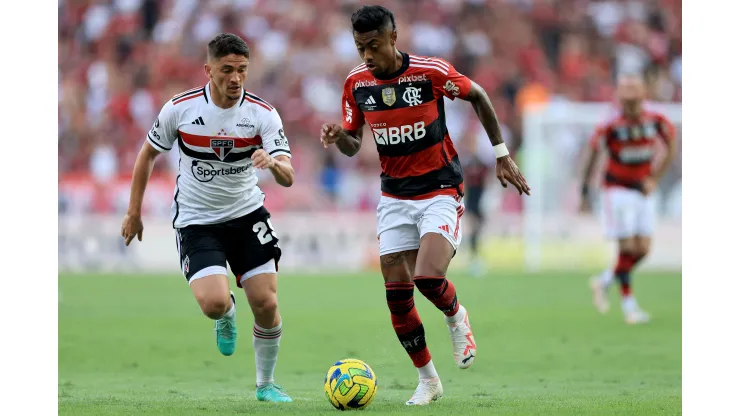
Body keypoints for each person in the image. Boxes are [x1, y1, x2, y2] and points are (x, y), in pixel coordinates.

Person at [320, 6, 530, 406]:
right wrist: (337, 136)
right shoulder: (355, 84)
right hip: (394, 197)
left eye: (374, 45)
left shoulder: (429, 72)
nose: (367, 55)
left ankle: (456, 317)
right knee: (396, 296)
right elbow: (351, 143)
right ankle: (429, 380)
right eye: (360, 47)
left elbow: (479, 95)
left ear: (393, 37)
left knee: (427, 277)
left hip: (439, 190)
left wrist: (501, 153)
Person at [120, 33, 294, 403]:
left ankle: (266, 385)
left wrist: (273, 163)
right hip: (197, 221)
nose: (235, 78)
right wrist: (134, 212)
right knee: (213, 303)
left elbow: (289, 175)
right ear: (209, 70)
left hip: (247, 215)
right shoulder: (180, 109)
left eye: (242, 70)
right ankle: (226, 314)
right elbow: (146, 155)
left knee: (266, 303)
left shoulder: (263, 114)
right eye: (227, 70)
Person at [580, 74, 677, 325]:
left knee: (643, 249)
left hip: (642, 190)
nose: (630, 96)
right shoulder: (610, 124)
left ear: (644, 93)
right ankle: (629, 306)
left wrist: (654, 177)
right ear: (619, 96)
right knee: (627, 248)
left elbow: (671, 145)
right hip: (617, 190)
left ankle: (603, 281)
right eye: (626, 90)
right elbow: (592, 152)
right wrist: (584, 190)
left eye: (635, 89)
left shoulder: (656, 120)